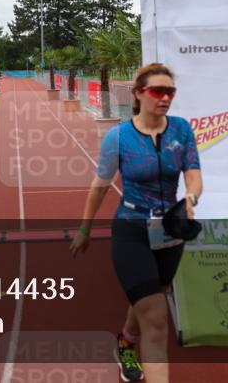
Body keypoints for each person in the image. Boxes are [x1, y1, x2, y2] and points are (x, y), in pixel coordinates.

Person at [70, 63, 203, 383]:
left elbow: (194, 173)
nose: (165, 98)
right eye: (158, 91)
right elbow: (99, 186)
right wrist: (85, 230)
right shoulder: (119, 137)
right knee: (157, 318)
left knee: (154, 292)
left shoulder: (182, 130)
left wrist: (191, 198)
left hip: (170, 232)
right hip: (131, 230)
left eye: (170, 92)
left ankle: (126, 342)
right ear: (139, 94)